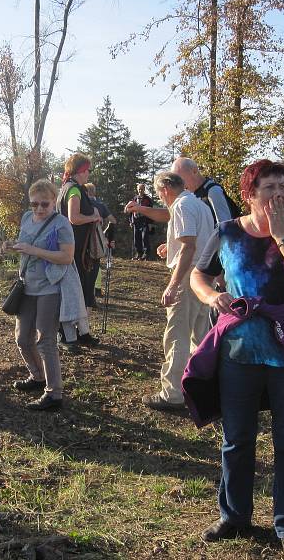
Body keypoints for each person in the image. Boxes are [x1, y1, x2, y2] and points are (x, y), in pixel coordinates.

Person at [186, 160, 284, 560]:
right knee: (236, 440)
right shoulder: (228, 232)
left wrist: (282, 236)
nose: (278, 194)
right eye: (268, 187)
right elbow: (198, 275)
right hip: (239, 353)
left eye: (283, 186)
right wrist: (209, 296)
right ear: (250, 194)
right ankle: (234, 516)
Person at [128, 172, 214, 411]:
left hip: (189, 276)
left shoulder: (183, 206)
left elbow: (189, 245)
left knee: (177, 333)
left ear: (165, 189)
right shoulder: (198, 204)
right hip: (205, 274)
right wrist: (172, 246)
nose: (159, 198)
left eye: (158, 193)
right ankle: (198, 386)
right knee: (200, 334)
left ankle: (173, 393)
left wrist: (173, 284)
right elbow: (192, 239)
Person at [3, 179, 76, 411]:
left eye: (44, 204)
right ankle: (37, 377)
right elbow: (25, 244)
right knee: (23, 339)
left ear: (54, 201)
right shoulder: (27, 218)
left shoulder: (61, 224)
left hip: (50, 288)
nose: (39, 209)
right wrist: (12, 246)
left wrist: (35, 251)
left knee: (45, 340)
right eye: (34, 204)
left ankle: (54, 394)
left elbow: (67, 257)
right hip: (27, 287)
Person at [57, 153, 102, 346]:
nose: (89, 173)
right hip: (75, 251)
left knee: (78, 291)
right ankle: (67, 335)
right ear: (81, 170)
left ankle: (82, 333)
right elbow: (73, 217)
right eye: (88, 170)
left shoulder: (66, 188)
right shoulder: (74, 190)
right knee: (74, 292)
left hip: (74, 249)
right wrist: (93, 217)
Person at [172, 156, 240, 224]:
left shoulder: (213, 191)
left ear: (194, 171)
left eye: (182, 180)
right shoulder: (191, 195)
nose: (180, 185)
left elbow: (225, 225)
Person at [84, 182, 116, 297]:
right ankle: (97, 288)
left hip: (83, 238)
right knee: (96, 261)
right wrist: (106, 233)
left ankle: (88, 289)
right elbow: (113, 220)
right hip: (98, 237)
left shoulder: (83, 204)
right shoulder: (101, 205)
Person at [129, 183, 154, 259]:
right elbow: (131, 210)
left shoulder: (148, 199)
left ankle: (146, 254)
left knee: (144, 238)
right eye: (139, 189)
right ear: (137, 189)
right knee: (137, 238)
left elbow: (151, 211)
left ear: (144, 189)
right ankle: (139, 254)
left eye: (142, 189)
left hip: (144, 221)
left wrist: (150, 223)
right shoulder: (134, 199)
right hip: (136, 221)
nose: (140, 191)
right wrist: (131, 221)